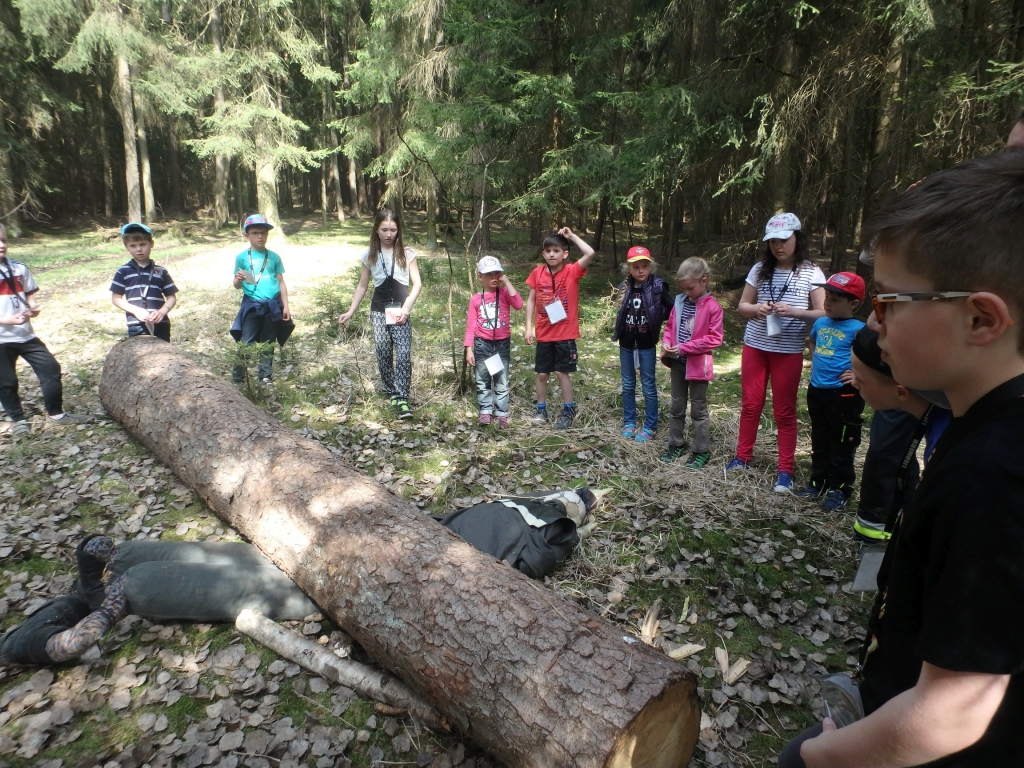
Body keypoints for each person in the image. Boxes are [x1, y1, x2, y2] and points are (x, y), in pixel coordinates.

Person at [781, 150, 1024, 768]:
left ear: (980, 317)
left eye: (891, 301)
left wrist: (819, 758)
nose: (874, 322)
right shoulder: (980, 429)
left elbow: (951, 711)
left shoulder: (991, 473)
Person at [730, 213, 825, 492]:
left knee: (784, 411)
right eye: (772, 241)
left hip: (788, 350)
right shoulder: (760, 269)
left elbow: (822, 313)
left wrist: (795, 311)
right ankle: (742, 457)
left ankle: (785, 470)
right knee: (750, 404)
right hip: (756, 346)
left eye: (784, 240)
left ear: (798, 239)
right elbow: (743, 306)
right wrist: (757, 309)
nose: (778, 246)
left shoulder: (812, 272)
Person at [0, 223, 88, 437]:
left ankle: (56, 414)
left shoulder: (19, 268)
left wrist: (33, 306)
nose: (2, 245)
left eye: (4, 240)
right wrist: (6, 320)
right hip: (1, 339)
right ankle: (17, 419)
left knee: (50, 369)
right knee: (6, 381)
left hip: (26, 335)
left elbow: (30, 292)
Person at [337, 209, 422, 419]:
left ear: (398, 230)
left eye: (393, 229)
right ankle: (391, 391)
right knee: (384, 353)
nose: (389, 234)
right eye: (384, 229)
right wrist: (350, 311)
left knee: (403, 353)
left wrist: (407, 308)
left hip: (401, 310)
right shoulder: (369, 255)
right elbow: (362, 286)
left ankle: (402, 397)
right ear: (376, 229)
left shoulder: (407, 253)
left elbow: (417, 283)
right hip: (378, 311)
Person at [795, 272, 866, 511]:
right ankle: (819, 481)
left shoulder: (859, 330)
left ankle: (841, 488)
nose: (827, 303)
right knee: (820, 437)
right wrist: (815, 360)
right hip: (817, 390)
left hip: (843, 394)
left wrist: (858, 376)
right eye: (827, 296)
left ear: (853, 303)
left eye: (835, 299)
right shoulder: (821, 323)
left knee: (842, 442)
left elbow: (871, 357)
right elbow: (812, 341)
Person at [524, 227, 596, 430]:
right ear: (543, 254)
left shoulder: (572, 271)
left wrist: (572, 236)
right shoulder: (537, 273)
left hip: (565, 333)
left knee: (561, 373)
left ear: (565, 254)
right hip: (544, 333)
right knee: (542, 374)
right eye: (548, 251)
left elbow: (590, 253)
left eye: (556, 251)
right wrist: (528, 328)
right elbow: (531, 301)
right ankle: (541, 409)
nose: (551, 254)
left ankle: (568, 410)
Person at [659, 257, 724, 466]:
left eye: (690, 288)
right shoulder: (679, 302)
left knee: (698, 409)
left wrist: (684, 347)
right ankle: (675, 444)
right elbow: (670, 327)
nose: (687, 293)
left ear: (703, 281)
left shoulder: (713, 307)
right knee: (676, 406)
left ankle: (700, 449)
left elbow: (715, 338)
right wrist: (667, 342)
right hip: (677, 363)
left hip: (698, 366)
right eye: (684, 288)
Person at [612, 245, 673, 442]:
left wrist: (665, 329)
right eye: (636, 267)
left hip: (646, 343)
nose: (641, 271)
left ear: (650, 267)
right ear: (628, 268)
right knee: (628, 384)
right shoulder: (624, 287)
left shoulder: (658, 287)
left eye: (644, 266)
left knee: (648, 385)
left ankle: (650, 426)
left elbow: (672, 309)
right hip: (627, 343)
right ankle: (629, 422)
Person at [230, 214, 291, 385]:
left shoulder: (274, 257)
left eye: (264, 233)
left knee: (268, 341)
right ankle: (238, 377)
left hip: (273, 305)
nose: (260, 236)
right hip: (252, 304)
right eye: (255, 233)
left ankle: (265, 376)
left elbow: (281, 281)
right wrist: (238, 279)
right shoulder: (242, 257)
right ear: (246, 235)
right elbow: (236, 285)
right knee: (246, 340)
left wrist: (285, 306)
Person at [464, 255, 523, 429]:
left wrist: (507, 281)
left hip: (501, 344)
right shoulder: (476, 299)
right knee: (482, 379)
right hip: (482, 344)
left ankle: (501, 413)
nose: (494, 277)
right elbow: (471, 325)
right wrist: (469, 348)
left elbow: (519, 304)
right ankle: (485, 411)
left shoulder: (504, 294)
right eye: (489, 274)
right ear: (480, 277)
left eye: (497, 273)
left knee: (501, 380)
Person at [110, 222, 178, 342]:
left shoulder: (160, 271)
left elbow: (171, 297)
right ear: (127, 247)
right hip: (136, 324)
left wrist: (162, 312)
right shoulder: (123, 271)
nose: (139, 249)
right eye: (133, 245)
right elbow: (116, 298)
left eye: (143, 244)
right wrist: (136, 311)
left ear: (151, 244)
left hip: (161, 323)